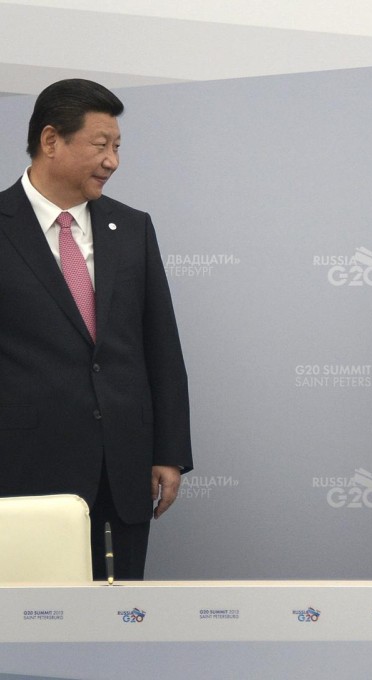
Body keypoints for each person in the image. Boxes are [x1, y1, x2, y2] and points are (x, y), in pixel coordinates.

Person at [0, 79, 192, 579]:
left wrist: (170, 452)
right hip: (21, 472)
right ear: (51, 141)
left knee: (118, 611)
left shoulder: (132, 228)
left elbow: (161, 346)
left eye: (118, 147)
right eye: (101, 145)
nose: (112, 161)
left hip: (123, 470)